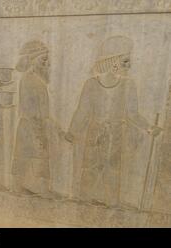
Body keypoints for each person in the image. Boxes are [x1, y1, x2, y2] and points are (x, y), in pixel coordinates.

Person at [65, 36, 162, 207]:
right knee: (91, 170)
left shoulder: (128, 85)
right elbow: (82, 112)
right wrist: (72, 132)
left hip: (116, 136)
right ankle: (84, 207)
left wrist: (149, 128)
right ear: (113, 62)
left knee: (112, 172)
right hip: (94, 134)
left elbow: (133, 114)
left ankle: (110, 210)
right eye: (125, 61)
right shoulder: (91, 84)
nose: (129, 66)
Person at [11, 40, 52, 195]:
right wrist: (38, 126)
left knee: (33, 155)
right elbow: (30, 109)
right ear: (33, 61)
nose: (47, 64)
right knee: (30, 155)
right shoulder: (29, 80)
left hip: (35, 123)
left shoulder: (36, 80)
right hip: (31, 123)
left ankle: (30, 187)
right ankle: (24, 187)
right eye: (44, 60)